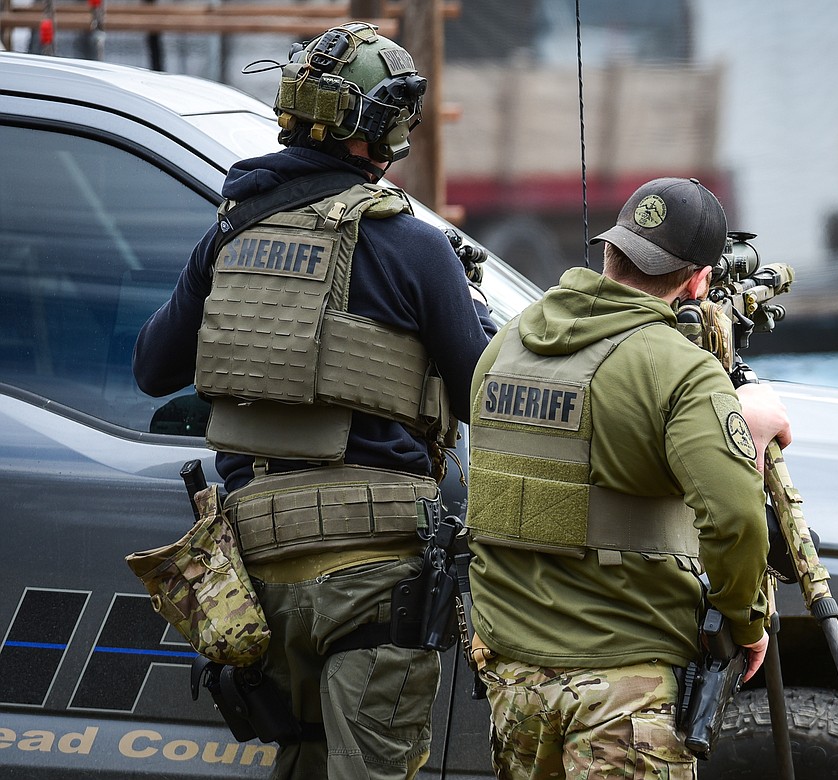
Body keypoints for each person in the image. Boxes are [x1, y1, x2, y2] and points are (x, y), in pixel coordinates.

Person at [133, 22, 496, 780]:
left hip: (252, 577)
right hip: (372, 580)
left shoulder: (231, 232)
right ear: (383, 125)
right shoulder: (413, 244)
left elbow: (152, 368)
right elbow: (482, 399)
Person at [464, 177, 791, 779]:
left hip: (515, 683)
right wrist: (746, 624)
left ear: (610, 252)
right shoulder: (681, 372)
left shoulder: (506, 345)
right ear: (699, 282)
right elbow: (736, 519)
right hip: (624, 691)